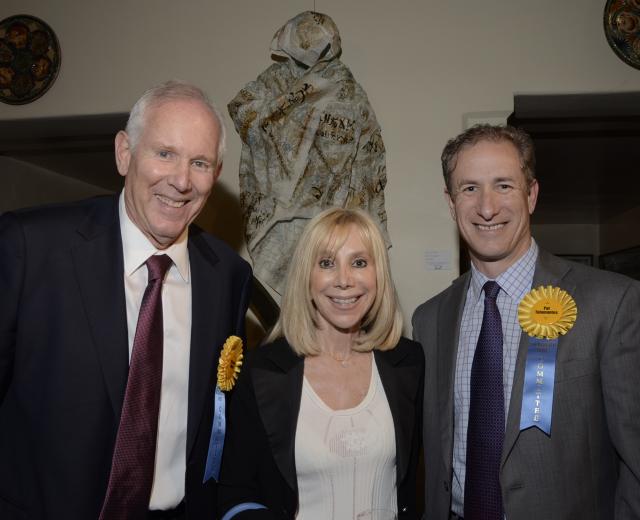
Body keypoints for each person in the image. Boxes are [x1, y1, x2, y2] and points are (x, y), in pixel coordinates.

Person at [0, 80, 252, 519]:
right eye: (165, 153)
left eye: (199, 163)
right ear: (123, 153)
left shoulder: (227, 276)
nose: (181, 180)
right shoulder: (30, 248)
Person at [412, 124, 640, 520]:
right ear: (451, 203)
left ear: (531, 194)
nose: (487, 208)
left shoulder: (611, 303)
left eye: (503, 185)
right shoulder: (429, 319)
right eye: (470, 188)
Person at [218, 208, 423, 519]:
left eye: (359, 262)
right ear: (306, 277)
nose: (344, 280)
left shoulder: (408, 364)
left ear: (378, 275)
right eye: (327, 263)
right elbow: (235, 490)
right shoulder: (262, 372)